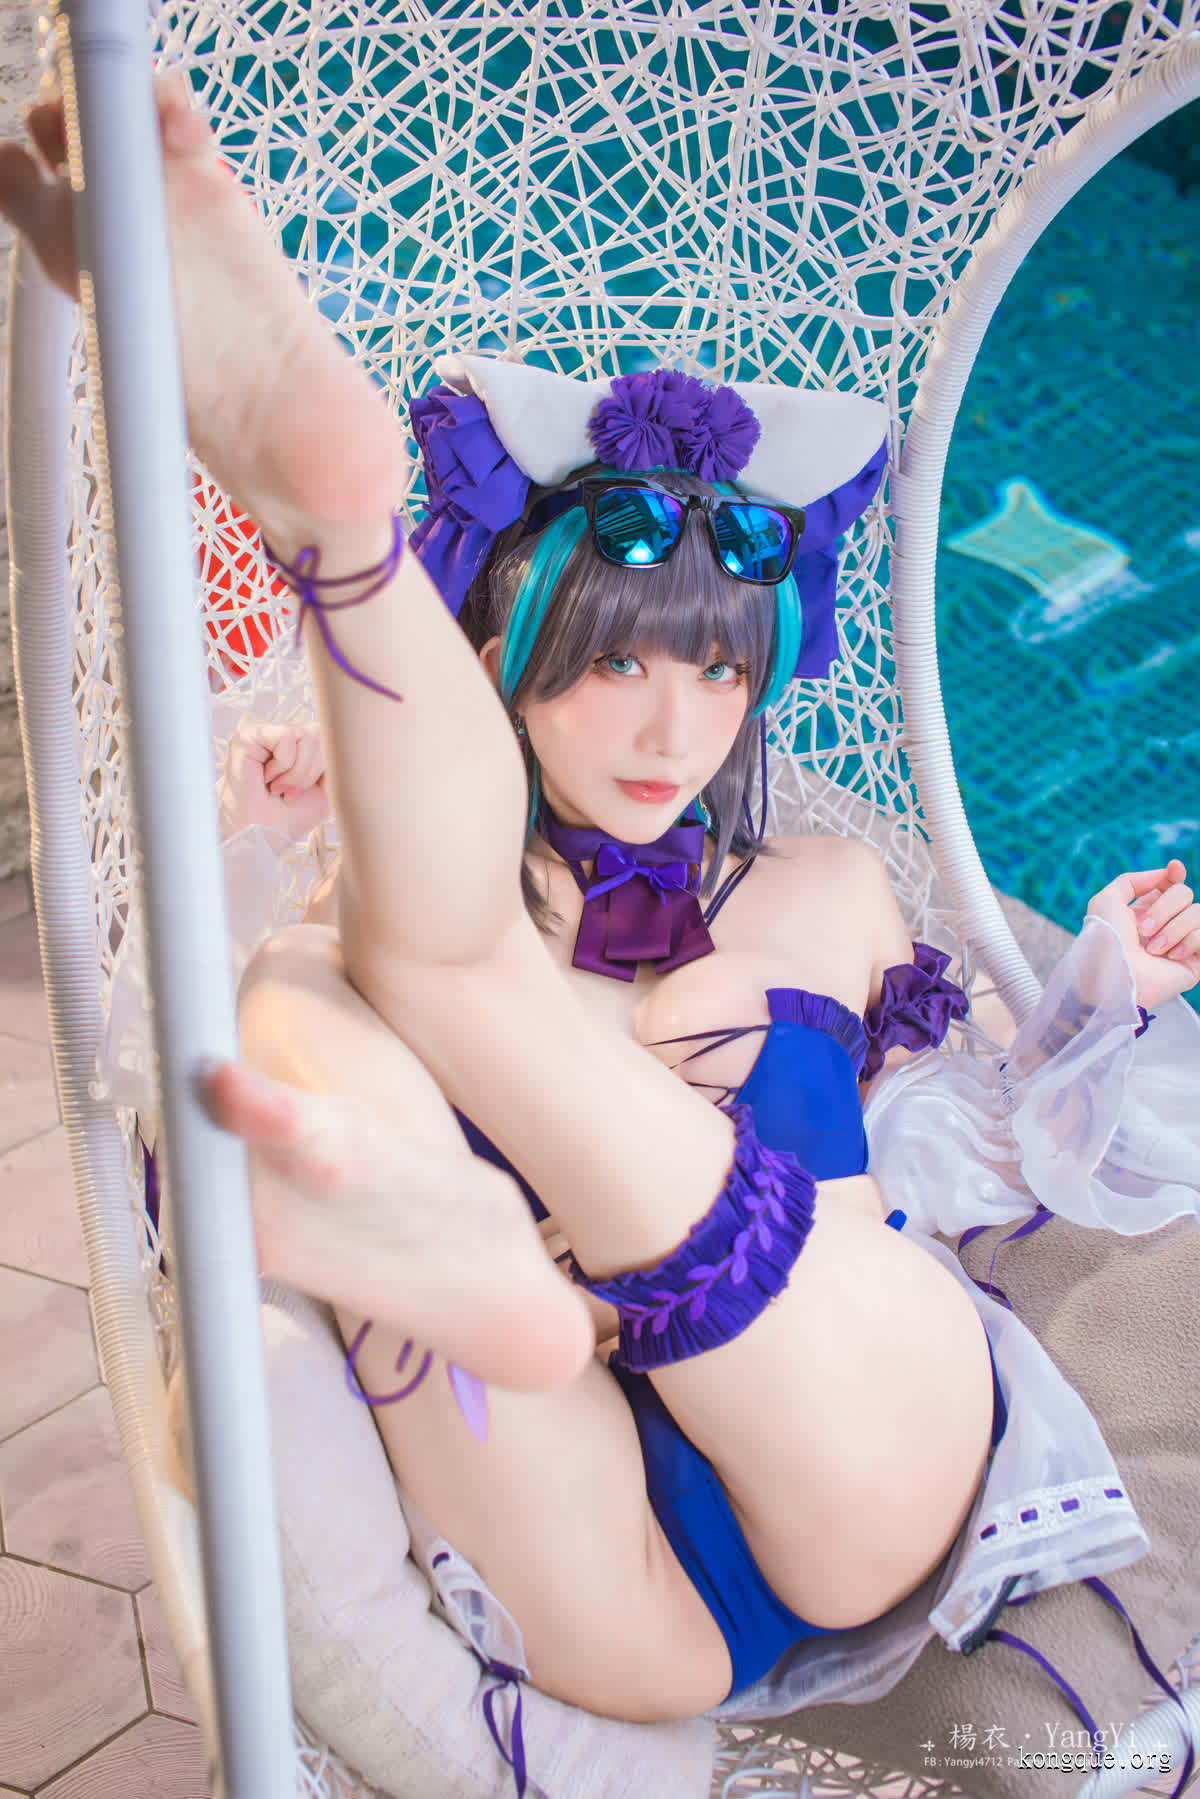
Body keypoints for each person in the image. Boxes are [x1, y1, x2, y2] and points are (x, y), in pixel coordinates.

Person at [4, 80, 1198, 1732]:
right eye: (615, 664)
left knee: (434, 971)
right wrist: (268, 843)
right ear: (503, 656)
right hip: (612, 1556)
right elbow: (179, 1057)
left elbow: (998, 1148)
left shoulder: (830, 887)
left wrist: (1100, 995)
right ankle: (480, 1265)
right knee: (310, 985)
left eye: (718, 671)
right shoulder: (388, 904)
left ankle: (340, 531)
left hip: (855, 1444)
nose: (670, 732)